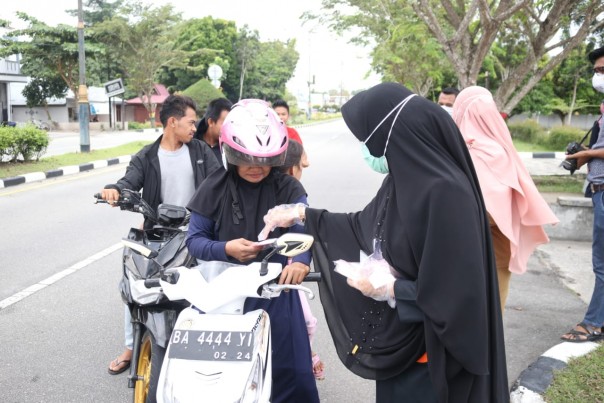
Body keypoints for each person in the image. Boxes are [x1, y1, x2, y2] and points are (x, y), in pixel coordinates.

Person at [260, 82, 509, 402]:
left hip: (434, 362)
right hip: (403, 349)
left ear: (393, 136)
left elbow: (459, 297)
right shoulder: (402, 181)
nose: (368, 150)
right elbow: (362, 226)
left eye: (369, 141)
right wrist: (303, 214)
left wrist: (392, 289)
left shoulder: (447, 194)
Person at [185, 99, 320, 402]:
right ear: (228, 152)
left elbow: (302, 230)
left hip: (276, 292)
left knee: (291, 374)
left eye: (263, 160)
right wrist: (225, 249)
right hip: (222, 295)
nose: (256, 168)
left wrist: (299, 261)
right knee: (220, 379)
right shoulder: (213, 186)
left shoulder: (288, 188)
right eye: (245, 158)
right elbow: (195, 241)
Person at [101, 95, 221, 375]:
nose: (195, 127)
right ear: (172, 122)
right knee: (134, 283)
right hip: (156, 234)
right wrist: (114, 189)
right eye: (191, 122)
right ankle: (131, 347)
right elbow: (128, 183)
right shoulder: (146, 156)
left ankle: (206, 342)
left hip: (195, 232)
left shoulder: (201, 152)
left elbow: (220, 183)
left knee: (209, 282)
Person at [452, 86, 559, 311]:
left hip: (468, 248)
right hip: (499, 246)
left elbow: (479, 208)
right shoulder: (500, 149)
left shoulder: (466, 151)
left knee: (469, 313)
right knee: (494, 311)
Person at [559, 45, 604, 342]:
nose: (597, 76)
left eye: (602, 70)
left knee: (602, 263)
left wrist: (586, 152)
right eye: (596, 71)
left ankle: (594, 323)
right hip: (598, 189)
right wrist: (582, 156)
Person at [278, 138, 325, 380]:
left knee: (305, 321)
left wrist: (299, 260)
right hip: (266, 270)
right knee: (304, 321)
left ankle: (307, 353)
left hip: (287, 268)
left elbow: (302, 229)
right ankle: (306, 356)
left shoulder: (294, 193)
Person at [272, 99, 310, 169]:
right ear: (271, 116)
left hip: (287, 170)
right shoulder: (266, 132)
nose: (280, 117)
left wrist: (304, 159)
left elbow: (300, 150)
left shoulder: (292, 132)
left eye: (283, 114)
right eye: (277, 114)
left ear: (288, 116)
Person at [194, 97, 233, 163]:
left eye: (231, 123)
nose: (229, 128)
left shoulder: (232, 148)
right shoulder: (191, 140)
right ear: (211, 122)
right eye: (225, 123)